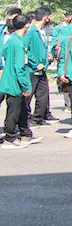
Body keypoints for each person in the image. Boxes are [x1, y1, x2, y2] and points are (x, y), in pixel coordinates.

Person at [1, 13, 33, 148]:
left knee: (14, 110)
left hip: (7, 80)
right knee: (13, 111)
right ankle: (10, 137)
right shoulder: (19, 44)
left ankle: (13, 134)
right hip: (15, 83)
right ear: (26, 26)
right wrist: (25, 86)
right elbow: (19, 67)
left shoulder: (11, 40)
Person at [24, 8, 51, 128]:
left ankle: (38, 117)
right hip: (33, 70)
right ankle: (25, 117)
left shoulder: (41, 32)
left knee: (43, 94)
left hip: (42, 69)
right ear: (45, 18)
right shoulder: (31, 32)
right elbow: (24, 49)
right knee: (28, 95)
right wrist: (35, 63)